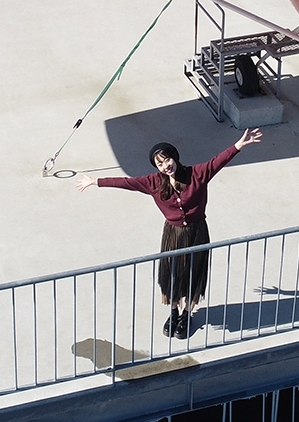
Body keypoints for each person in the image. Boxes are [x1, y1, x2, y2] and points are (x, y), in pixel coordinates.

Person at [77, 128, 263, 339]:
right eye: (160, 163)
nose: (166, 166)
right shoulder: (153, 183)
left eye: (167, 160)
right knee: (173, 274)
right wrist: (95, 181)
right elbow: (126, 183)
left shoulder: (197, 174)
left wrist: (239, 145)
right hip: (172, 235)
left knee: (193, 273)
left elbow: (218, 161)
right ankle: (174, 311)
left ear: (175, 157)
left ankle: (186, 314)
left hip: (197, 232)